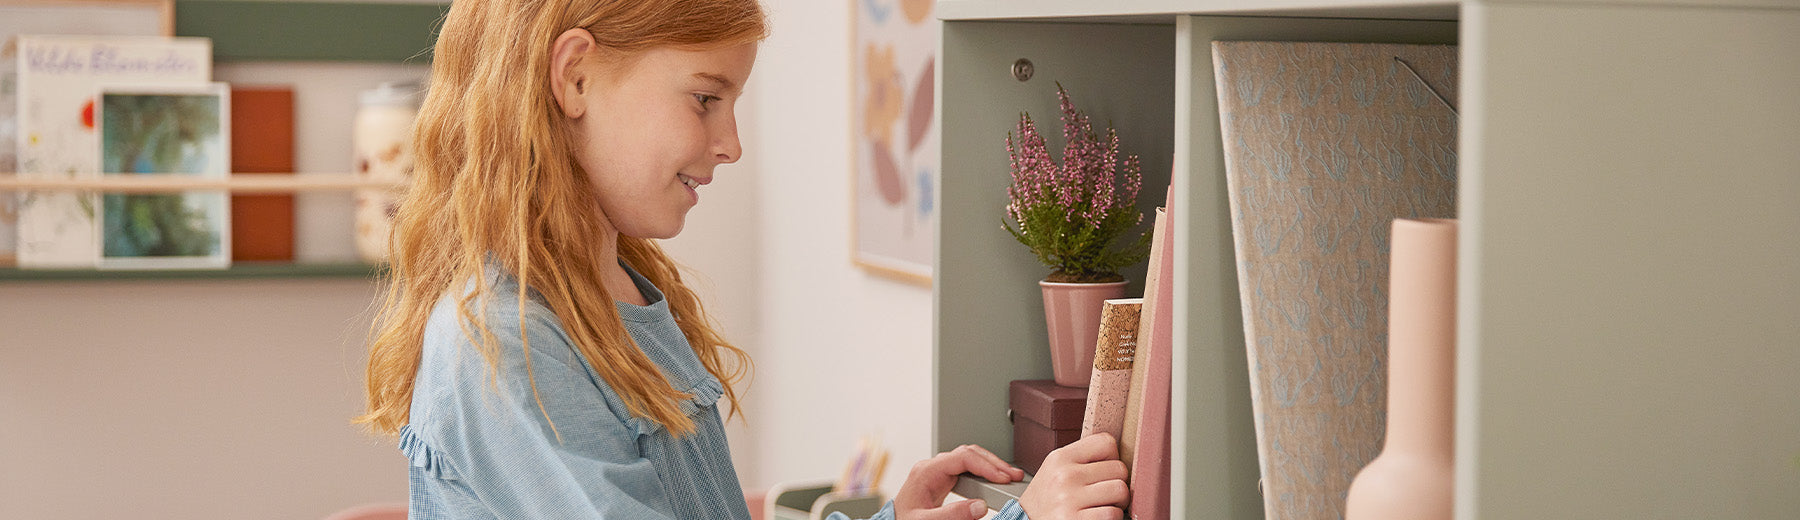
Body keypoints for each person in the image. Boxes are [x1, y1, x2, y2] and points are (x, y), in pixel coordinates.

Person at [356, 0, 1130, 519]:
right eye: (704, 98)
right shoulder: (507, 343)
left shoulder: (623, 294)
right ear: (575, 74)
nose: (730, 144)